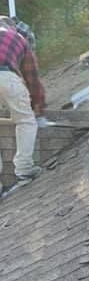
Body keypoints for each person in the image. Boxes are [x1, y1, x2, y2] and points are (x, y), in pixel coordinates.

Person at [0, 16, 44, 187]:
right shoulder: (18, 38)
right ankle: (24, 169)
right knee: (26, 122)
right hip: (6, 76)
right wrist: (37, 106)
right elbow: (32, 79)